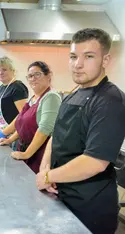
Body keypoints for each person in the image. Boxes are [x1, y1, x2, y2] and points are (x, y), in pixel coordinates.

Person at [36, 28, 125, 234]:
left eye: (89, 56)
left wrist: (49, 177)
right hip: (62, 196)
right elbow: (55, 135)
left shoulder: (110, 101)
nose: (78, 64)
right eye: (74, 56)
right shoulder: (73, 93)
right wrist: (45, 169)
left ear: (106, 59)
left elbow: (95, 162)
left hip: (90, 207)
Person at [0, 61, 61, 173]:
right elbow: (22, 124)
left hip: (38, 154)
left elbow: (44, 129)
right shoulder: (33, 98)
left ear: (48, 75)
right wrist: (10, 139)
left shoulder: (51, 97)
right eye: (30, 76)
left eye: (37, 74)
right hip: (24, 150)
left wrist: (26, 154)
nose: (33, 79)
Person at [0, 56, 28, 139]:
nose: (1, 73)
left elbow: (23, 114)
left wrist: (5, 132)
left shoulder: (18, 87)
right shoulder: (1, 87)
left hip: (11, 136)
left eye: (4, 69)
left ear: (12, 70)